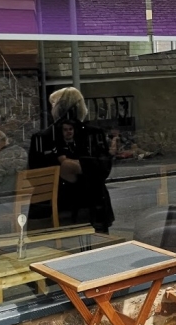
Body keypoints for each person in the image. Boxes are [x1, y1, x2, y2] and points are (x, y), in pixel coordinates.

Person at [28, 87, 114, 233]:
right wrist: (83, 168)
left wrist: (71, 167)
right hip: (88, 205)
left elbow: (101, 170)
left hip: (64, 206)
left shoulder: (43, 137)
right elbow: (100, 170)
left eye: (53, 106)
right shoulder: (92, 134)